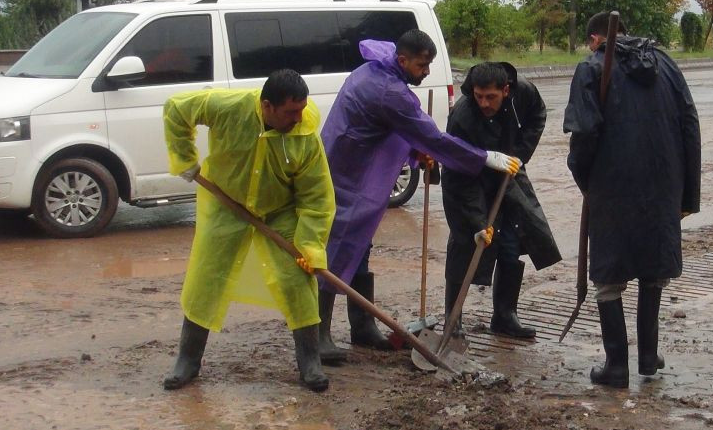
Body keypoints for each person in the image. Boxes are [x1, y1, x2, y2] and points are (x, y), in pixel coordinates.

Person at [316, 30, 521, 361]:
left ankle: (362, 327)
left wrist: (417, 149)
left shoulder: (377, 67)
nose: (427, 72)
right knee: (336, 248)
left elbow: (404, 130)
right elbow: (432, 136)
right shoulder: (388, 91)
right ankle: (318, 336)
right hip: (347, 174)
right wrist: (484, 157)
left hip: (353, 162)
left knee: (359, 246)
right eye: (423, 65)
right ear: (403, 61)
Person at [162, 70, 336, 393]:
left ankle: (310, 363)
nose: (298, 119)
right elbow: (176, 108)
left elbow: (317, 197)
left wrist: (310, 245)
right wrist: (184, 157)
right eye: (290, 112)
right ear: (266, 106)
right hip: (226, 203)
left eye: (301, 110)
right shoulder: (228, 107)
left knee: (298, 280)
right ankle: (187, 360)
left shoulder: (305, 134)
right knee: (206, 278)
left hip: (278, 211)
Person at [564, 12, 701, 388]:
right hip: (664, 182)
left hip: (612, 183)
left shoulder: (592, 67)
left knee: (610, 272)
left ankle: (617, 365)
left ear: (596, 40)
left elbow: (583, 132)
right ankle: (647, 356)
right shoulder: (666, 65)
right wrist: (687, 193)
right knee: (652, 268)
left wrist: (585, 180)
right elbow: (690, 124)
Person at [442, 62, 560, 338]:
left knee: (511, 242)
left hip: (508, 176)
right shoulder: (462, 115)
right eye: (478, 96)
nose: (483, 103)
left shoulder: (524, 94)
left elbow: (538, 115)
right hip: (469, 179)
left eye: (490, 97)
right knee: (466, 244)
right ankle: (453, 318)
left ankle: (505, 316)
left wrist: (520, 154)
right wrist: (477, 221)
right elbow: (458, 174)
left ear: (505, 90)